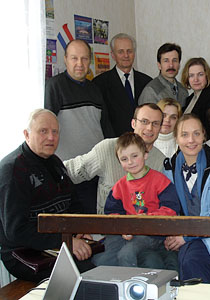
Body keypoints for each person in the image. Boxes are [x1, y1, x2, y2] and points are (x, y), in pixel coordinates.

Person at [0, 109, 95, 282]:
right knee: (88, 276)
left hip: (57, 242)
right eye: (43, 131)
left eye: (55, 132)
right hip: (24, 252)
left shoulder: (55, 162)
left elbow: (74, 204)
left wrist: (80, 229)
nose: (51, 137)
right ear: (27, 134)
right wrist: (66, 242)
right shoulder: (13, 170)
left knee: (104, 262)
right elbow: (16, 232)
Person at [163, 114, 210, 284]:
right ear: (176, 138)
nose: (191, 140)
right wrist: (170, 235)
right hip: (182, 237)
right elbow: (166, 207)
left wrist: (186, 236)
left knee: (191, 260)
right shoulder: (168, 168)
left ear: (204, 136)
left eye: (196, 133)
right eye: (184, 134)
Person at [45, 39, 114, 213]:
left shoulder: (95, 89)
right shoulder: (55, 86)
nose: (79, 64)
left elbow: (105, 127)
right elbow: (48, 127)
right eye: (74, 58)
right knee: (72, 224)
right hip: (68, 170)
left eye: (84, 59)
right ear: (66, 59)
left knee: (93, 219)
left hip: (95, 169)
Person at [92, 133, 179, 269]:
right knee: (106, 258)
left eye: (134, 156)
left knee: (127, 254)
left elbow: (171, 209)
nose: (130, 162)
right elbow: (111, 212)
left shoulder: (160, 180)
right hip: (127, 231)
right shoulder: (119, 186)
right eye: (124, 159)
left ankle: (129, 283)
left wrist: (147, 219)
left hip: (152, 232)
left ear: (145, 154)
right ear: (119, 162)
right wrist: (124, 227)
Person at [64, 103, 166, 214]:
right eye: (144, 121)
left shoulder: (161, 163)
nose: (149, 128)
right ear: (133, 123)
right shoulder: (107, 149)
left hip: (142, 229)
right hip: (106, 228)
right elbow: (70, 171)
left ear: (160, 128)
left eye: (155, 124)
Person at [93, 33, 152, 137]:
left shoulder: (147, 82)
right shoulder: (99, 84)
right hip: (115, 144)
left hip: (143, 141)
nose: (126, 55)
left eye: (129, 51)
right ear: (112, 55)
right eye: (121, 52)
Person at [181, 57, 210, 139]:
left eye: (200, 74)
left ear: (207, 76)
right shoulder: (189, 99)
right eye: (191, 75)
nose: (196, 79)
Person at [138, 43, 188, 107]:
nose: (171, 65)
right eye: (166, 61)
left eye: (174, 60)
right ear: (159, 65)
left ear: (179, 64)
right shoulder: (151, 91)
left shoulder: (183, 90)